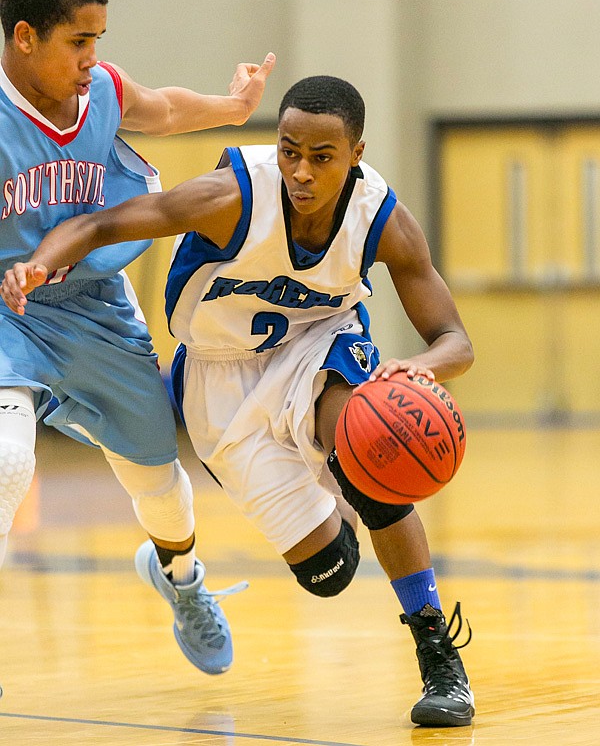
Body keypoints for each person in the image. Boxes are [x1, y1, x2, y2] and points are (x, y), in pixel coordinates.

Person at [2, 75, 475, 728]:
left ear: (357, 152)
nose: (301, 171)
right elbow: (106, 221)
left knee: (374, 454)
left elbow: (455, 339)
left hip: (320, 343)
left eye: (322, 156)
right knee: (331, 571)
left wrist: (416, 369)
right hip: (219, 378)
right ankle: (278, 512)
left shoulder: (380, 219)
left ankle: (439, 655)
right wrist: (40, 261)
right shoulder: (233, 196)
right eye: (289, 151)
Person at [0, 0, 276, 689]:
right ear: (24, 37)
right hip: (8, 310)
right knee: (5, 458)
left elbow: (162, 105)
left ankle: (182, 577)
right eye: (78, 42)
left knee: (157, 475)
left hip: (94, 306)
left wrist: (229, 105)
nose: (94, 59)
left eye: (98, 39)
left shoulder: (105, 92)